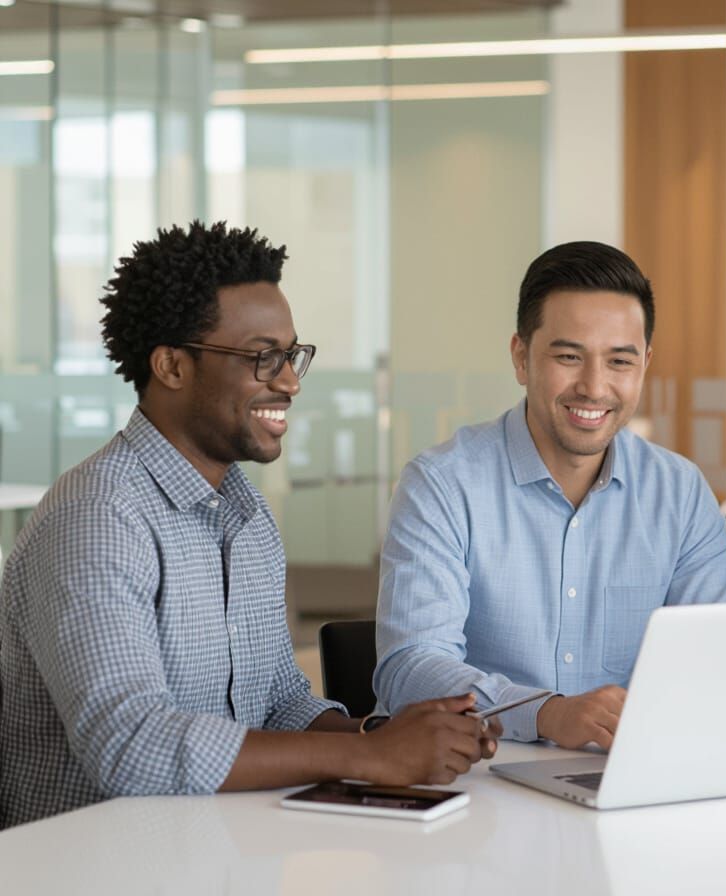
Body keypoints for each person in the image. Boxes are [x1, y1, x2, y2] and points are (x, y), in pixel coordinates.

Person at [0, 221, 496, 829]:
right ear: (172, 366)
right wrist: (369, 755)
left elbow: (279, 702)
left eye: (290, 356)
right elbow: (129, 746)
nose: (288, 381)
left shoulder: (246, 515)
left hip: (213, 850)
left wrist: (398, 734)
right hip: (89, 866)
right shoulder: (97, 519)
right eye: (262, 357)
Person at [375, 241, 726, 750]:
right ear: (521, 357)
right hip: (478, 784)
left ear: (644, 364)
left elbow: (722, 651)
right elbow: (409, 668)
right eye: (569, 357)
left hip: (625, 781)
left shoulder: (679, 493)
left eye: (619, 361)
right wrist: (546, 713)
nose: (594, 387)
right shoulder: (442, 484)